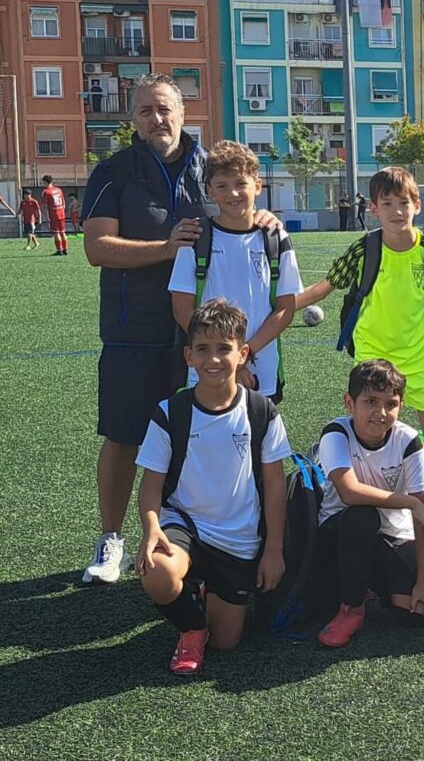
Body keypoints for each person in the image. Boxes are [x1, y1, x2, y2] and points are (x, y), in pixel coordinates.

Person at [81, 72, 278, 584]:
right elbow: (97, 248)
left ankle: (195, 538)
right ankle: (112, 540)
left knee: (202, 437)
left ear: (183, 112)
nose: (157, 119)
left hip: (201, 335)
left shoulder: (208, 165)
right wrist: (167, 248)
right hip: (134, 328)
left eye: (165, 108)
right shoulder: (114, 171)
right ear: (133, 119)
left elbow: (240, 201)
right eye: (146, 110)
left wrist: (265, 217)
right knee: (124, 436)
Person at [297, 166, 424, 538]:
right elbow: (326, 286)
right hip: (373, 359)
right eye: (386, 203)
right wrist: (281, 306)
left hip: (419, 358)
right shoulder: (365, 248)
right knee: (370, 438)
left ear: (416, 204)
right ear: (373, 208)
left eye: (403, 202)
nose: (396, 210)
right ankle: (371, 520)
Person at [134, 300, 290, 675]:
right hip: (184, 524)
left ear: (243, 353)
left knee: (227, 643)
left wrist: (273, 550)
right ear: (189, 356)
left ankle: (205, 595)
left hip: (237, 538)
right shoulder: (171, 412)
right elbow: (151, 483)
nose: (214, 359)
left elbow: (274, 485)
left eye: (224, 348)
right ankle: (191, 626)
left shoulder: (261, 412)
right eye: (203, 349)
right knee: (157, 570)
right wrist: (152, 527)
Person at [315, 359, 424, 648]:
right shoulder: (336, 433)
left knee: (415, 614)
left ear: (401, 406)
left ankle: (368, 585)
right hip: (341, 532)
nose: (381, 413)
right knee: (363, 517)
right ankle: (351, 607)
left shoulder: (407, 439)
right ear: (349, 402)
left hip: (389, 535)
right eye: (371, 401)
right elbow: (349, 492)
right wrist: (409, 503)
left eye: (390, 404)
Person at [168, 141, 301, 404]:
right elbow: (182, 308)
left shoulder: (275, 238)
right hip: (208, 368)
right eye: (222, 186)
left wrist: (245, 355)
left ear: (258, 186)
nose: (233, 193)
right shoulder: (196, 238)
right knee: (205, 438)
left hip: (259, 369)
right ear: (210, 192)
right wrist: (226, 358)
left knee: (257, 439)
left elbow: (285, 309)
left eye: (241, 183)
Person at [41, 174, 68, 256]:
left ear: (45, 182)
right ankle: (65, 249)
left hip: (54, 214)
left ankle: (59, 250)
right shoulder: (59, 190)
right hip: (62, 213)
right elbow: (64, 203)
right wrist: (63, 211)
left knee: (56, 233)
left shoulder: (46, 192)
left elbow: (45, 206)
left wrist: (46, 216)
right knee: (63, 232)